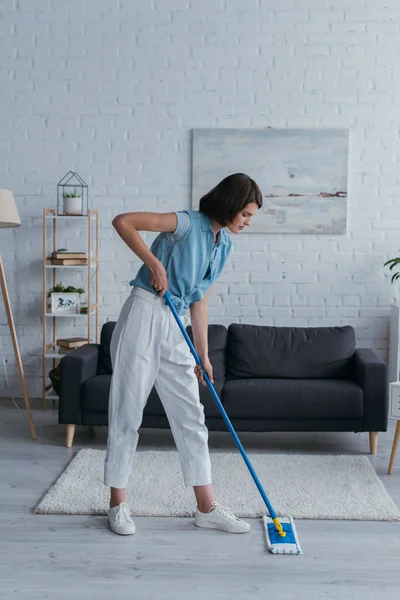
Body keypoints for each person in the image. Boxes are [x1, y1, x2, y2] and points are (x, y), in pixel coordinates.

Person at [105, 173, 262, 535]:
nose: (247, 222)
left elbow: (200, 301)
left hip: (176, 326)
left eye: (251, 217)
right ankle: (117, 503)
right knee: (128, 410)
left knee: (191, 415)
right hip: (145, 312)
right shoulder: (186, 223)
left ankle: (206, 507)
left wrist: (203, 356)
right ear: (230, 203)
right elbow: (123, 222)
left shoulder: (224, 246)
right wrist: (154, 263)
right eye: (246, 214)